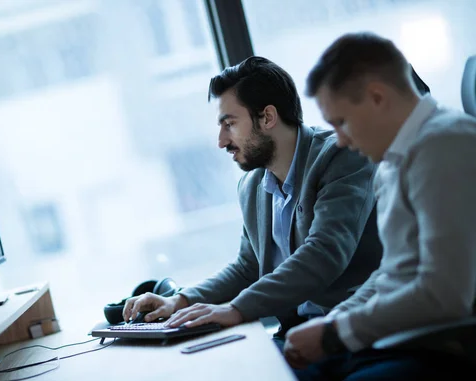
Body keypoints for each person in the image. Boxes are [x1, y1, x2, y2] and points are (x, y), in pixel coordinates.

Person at [122, 56, 382, 342]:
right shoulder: (253, 185)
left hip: (352, 331)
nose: (221, 141)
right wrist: (179, 301)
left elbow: (324, 253)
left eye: (229, 124)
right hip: (295, 334)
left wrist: (236, 309)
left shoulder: (341, 155)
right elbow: (248, 268)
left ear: (267, 117)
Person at [284, 32, 476, 380]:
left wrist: (336, 334)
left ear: (377, 97)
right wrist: (332, 323)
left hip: (442, 346)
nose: (340, 140)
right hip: (395, 339)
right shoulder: (393, 163)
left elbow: (445, 295)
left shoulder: (445, 145)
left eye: (341, 122)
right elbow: (391, 273)